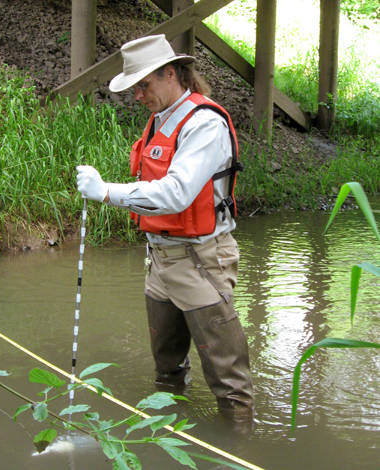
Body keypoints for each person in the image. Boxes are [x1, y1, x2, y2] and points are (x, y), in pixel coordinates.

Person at [76, 34, 254, 421]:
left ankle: (240, 453)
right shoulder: (160, 119)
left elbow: (176, 194)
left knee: (230, 382)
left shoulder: (204, 124)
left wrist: (107, 192)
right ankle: (166, 440)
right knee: (167, 369)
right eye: (135, 87)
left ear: (170, 74)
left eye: (143, 84)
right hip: (160, 261)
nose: (138, 95)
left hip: (201, 261)